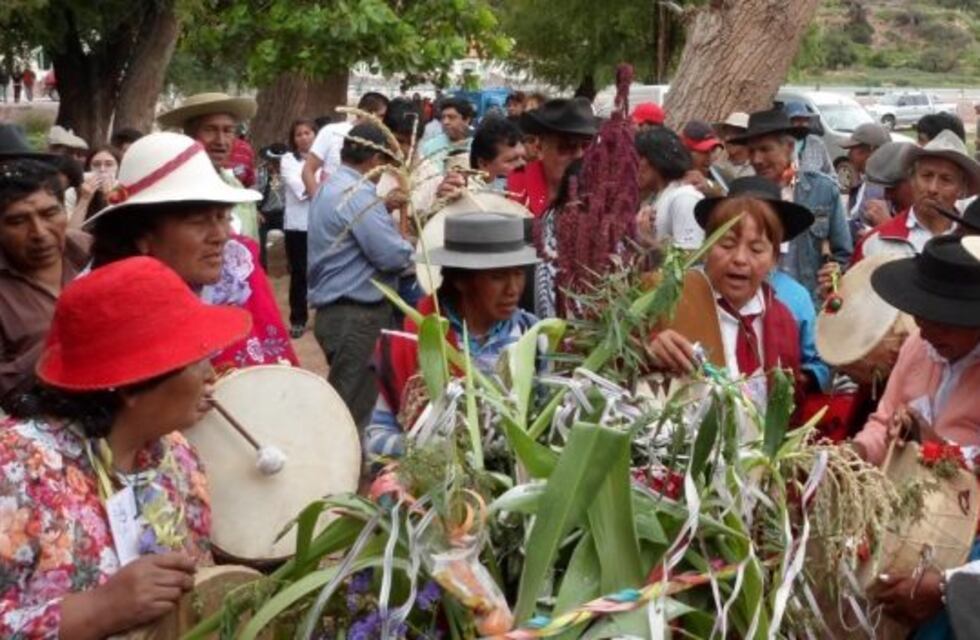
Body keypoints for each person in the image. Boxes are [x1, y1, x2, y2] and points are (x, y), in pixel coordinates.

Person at [0, 256, 250, 638]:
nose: (210, 374)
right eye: (194, 358)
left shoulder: (178, 459)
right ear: (132, 385)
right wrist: (96, 610)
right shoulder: (16, 472)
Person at [849, 236, 980, 635]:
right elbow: (883, 420)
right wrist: (855, 454)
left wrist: (933, 443)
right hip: (899, 518)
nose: (925, 331)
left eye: (943, 321)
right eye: (921, 316)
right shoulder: (917, 348)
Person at [86, 131, 299, 370]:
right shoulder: (107, 315)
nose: (221, 236)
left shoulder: (238, 272)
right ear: (141, 236)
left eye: (223, 217)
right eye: (199, 221)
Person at [365, 212, 539, 459]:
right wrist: (438, 449)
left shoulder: (533, 338)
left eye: (519, 274)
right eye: (498, 277)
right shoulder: (413, 342)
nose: (513, 289)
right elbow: (375, 440)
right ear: (461, 281)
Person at [647, 189, 816, 409]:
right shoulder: (668, 299)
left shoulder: (783, 321)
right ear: (706, 248)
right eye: (727, 245)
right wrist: (648, 350)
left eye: (756, 249)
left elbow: (787, 408)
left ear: (774, 259)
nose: (740, 259)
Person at [307, 123, 413, 428]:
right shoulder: (358, 194)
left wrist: (382, 207)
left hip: (337, 314)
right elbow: (391, 256)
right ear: (375, 159)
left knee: (350, 400)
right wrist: (411, 248)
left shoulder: (331, 186)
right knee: (352, 414)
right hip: (357, 317)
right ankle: (340, 460)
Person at [731, 108, 852, 302]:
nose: (756, 159)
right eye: (752, 151)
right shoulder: (743, 195)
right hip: (757, 304)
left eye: (765, 149)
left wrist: (834, 272)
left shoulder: (822, 190)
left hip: (809, 304)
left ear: (789, 147)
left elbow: (843, 253)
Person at [0, 159, 91, 408]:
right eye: (18, 221)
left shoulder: (90, 250)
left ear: (65, 211)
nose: (39, 233)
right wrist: (64, 335)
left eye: (49, 214)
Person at [852, 130, 980, 263]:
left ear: (961, 189)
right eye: (926, 176)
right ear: (912, 180)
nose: (932, 188)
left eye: (946, 179)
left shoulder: (974, 243)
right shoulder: (875, 243)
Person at [157, 92, 261, 241]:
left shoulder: (237, 189)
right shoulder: (170, 188)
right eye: (210, 130)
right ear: (189, 135)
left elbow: (252, 247)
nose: (221, 141)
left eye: (228, 131)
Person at [507, 98, 598, 216]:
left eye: (587, 146)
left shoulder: (598, 191)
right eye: (567, 146)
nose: (579, 154)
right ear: (539, 147)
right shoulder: (515, 190)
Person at [302, 92, 389, 196]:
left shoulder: (383, 142)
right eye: (381, 116)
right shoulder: (331, 131)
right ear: (364, 112)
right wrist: (318, 200)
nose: (383, 122)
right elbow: (308, 170)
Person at [634, 127, 704, 250]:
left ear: (655, 160)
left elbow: (692, 257)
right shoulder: (656, 197)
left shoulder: (684, 197)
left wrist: (648, 241)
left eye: (638, 159)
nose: (633, 167)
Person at [280, 118, 317, 338]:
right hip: (298, 226)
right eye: (298, 134)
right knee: (299, 273)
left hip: (322, 223)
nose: (303, 137)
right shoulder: (288, 161)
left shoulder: (326, 160)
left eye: (307, 133)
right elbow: (302, 189)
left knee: (325, 269)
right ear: (293, 140)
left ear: (315, 135)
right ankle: (298, 319)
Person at [855, 141, 916, 233]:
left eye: (892, 189)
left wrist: (887, 226)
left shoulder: (931, 214)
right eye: (884, 188)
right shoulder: (896, 209)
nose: (886, 195)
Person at [841, 123, 891, 227]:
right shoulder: (867, 181)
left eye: (852, 149)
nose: (848, 155)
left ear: (871, 150)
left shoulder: (879, 189)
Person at [419, 96, 476, 171]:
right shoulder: (430, 148)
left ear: (466, 120)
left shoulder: (477, 147)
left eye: (451, 117)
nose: (445, 122)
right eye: (443, 117)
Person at [71, 145, 121, 226]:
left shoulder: (127, 192)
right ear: (88, 169)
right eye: (96, 165)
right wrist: (84, 199)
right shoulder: (73, 192)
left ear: (118, 168)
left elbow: (123, 230)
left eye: (109, 164)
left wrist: (110, 199)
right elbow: (70, 231)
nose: (102, 169)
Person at [254, 143, 286, 269]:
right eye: (274, 161)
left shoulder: (290, 172)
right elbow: (253, 192)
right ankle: (263, 270)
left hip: (284, 212)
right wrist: (256, 211)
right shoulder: (260, 173)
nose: (277, 164)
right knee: (260, 245)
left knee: (293, 241)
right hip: (264, 213)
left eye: (279, 161)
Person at [783, 101, 834, 177]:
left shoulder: (817, 143)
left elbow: (831, 173)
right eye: (797, 120)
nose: (802, 124)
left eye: (805, 120)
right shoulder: (778, 144)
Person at [679, 120, 725, 195]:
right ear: (686, 151)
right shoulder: (671, 179)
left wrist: (710, 188)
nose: (711, 157)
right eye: (704, 151)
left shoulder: (721, 174)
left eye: (713, 150)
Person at [713, 112, 754, 183]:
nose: (727, 138)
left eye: (734, 133)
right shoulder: (717, 169)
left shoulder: (759, 169)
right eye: (726, 133)